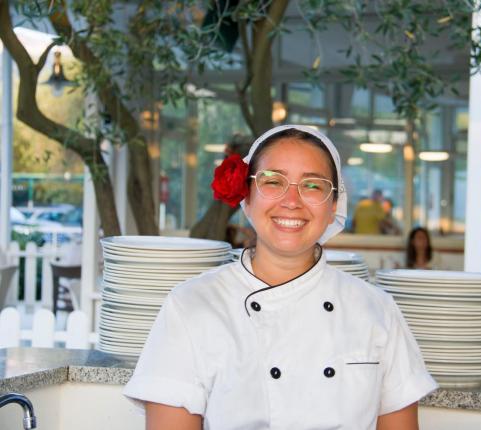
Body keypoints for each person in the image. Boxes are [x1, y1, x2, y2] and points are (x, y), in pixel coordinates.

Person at [123, 124, 437, 429]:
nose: (291, 201)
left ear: (334, 206)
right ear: (247, 196)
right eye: (273, 181)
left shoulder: (377, 310)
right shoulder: (192, 306)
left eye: (313, 185)